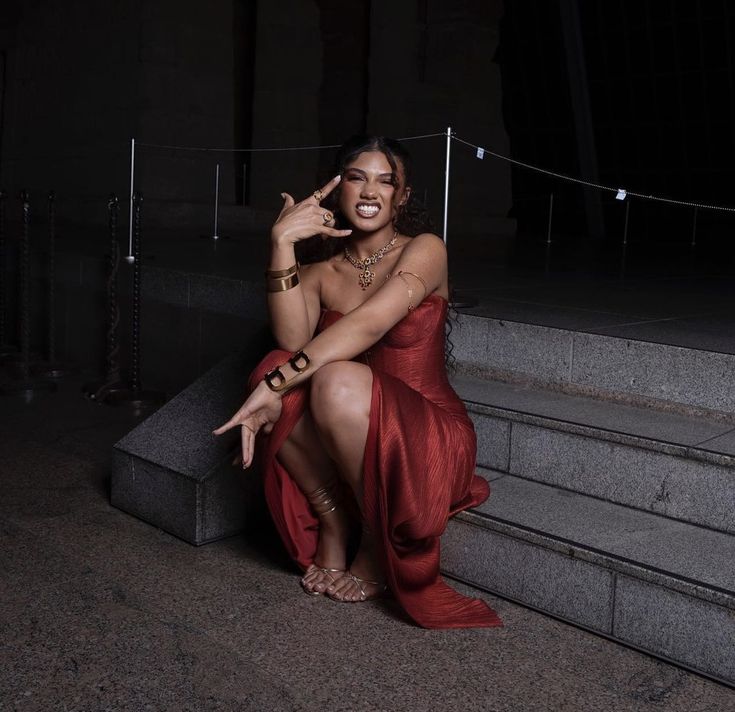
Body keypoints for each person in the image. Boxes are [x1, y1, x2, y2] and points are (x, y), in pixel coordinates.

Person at [214, 135, 501, 629]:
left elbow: (368, 326)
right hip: (346, 428)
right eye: (356, 177)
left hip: (427, 434)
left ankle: (374, 536)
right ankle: (333, 516)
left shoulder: (426, 250)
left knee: (325, 380)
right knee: (273, 367)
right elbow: (291, 340)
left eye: (386, 181)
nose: (371, 191)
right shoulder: (322, 271)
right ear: (335, 190)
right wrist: (281, 244)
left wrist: (279, 381)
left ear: (403, 196)